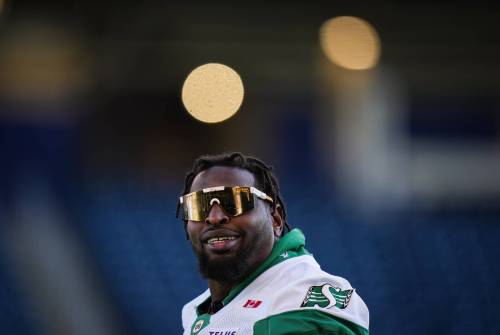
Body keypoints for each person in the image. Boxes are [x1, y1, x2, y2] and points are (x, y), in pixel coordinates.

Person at [177, 152, 369, 335]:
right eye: (198, 206)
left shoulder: (305, 297)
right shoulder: (196, 309)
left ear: (276, 219)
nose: (215, 217)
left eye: (235, 201)